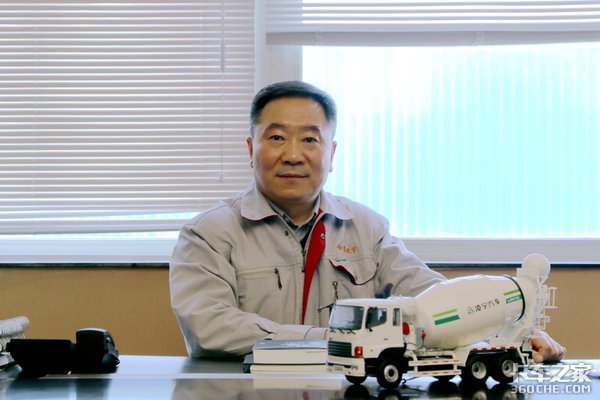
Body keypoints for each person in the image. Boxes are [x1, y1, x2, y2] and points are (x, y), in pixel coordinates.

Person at [169, 80, 566, 363]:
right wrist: (329, 339)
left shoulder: (366, 228)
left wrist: (514, 335)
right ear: (250, 149)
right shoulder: (209, 233)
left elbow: (435, 299)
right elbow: (210, 327)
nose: (292, 154)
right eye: (276, 138)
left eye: (310, 139)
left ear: (332, 153)